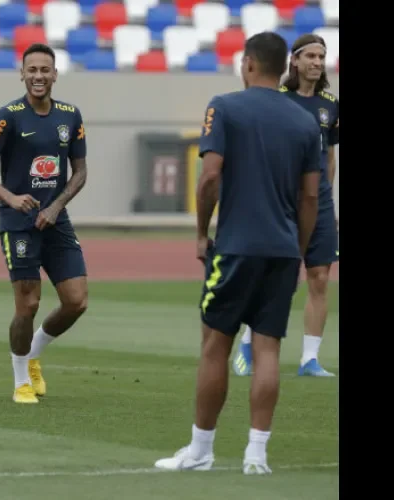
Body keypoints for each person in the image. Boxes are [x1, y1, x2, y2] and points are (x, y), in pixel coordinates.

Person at [153, 32, 320, 475]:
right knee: (268, 349)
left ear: (248, 63)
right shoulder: (305, 122)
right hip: (283, 251)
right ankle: (256, 455)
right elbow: (311, 199)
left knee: (215, 345)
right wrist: (299, 251)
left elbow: (210, 178)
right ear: (285, 66)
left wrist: (201, 231)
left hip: (236, 247)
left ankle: (201, 451)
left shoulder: (224, 107)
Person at [0, 43, 89, 405]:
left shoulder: (70, 116)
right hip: (18, 224)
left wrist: (56, 207)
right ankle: (21, 378)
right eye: (32, 70)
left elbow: (80, 172)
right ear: (22, 74)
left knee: (77, 301)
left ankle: (34, 351)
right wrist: (11, 198)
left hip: (55, 220)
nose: (39, 76)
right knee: (28, 304)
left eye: (45, 70)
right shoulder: (9, 116)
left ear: (55, 74)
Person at [233, 33, 340, 378]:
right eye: (310, 56)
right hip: (281, 197)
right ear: (293, 61)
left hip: (318, 200)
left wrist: (327, 198)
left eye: (321, 57)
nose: (317, 63)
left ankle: (310, 358)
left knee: (320, 276)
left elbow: (330, 157)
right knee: (277, 275)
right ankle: (248, 341)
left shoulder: (329, 104)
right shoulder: (276, 98)